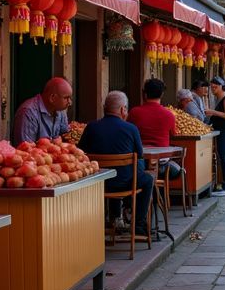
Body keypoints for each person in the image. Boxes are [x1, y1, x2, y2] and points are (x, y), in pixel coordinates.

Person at [78, 91, 153, 236]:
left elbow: (81, 153)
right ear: (123, 109)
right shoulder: (131, 128)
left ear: (105, 108)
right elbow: (140, 155)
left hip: (99, 183)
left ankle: (114, 218)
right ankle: (138, 223)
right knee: (148, 179)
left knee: (113, 172)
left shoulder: (91, 127)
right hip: (126, 183)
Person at [127, 78, 181, 178]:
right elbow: (174, 135)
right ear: (162, 94)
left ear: (145, 94)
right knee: (178, 169)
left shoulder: (134, 112)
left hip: (138, 162)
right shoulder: (169, 115)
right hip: (161, 164)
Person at [12, 77, 72, 146]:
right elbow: (25, 149)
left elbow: (65, 136)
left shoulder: (60, 110)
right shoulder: (28, 113)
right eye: (66, 98)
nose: (70, 102)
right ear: (52, 98)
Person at [205, 77, 225, 196]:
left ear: (221, 86)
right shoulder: (218, 98)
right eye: (211, 87)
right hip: (220, 131)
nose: (213, 89)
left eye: (215, 87)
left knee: (224, 157)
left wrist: (212, 112)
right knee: (222, 157)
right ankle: (222, 184)